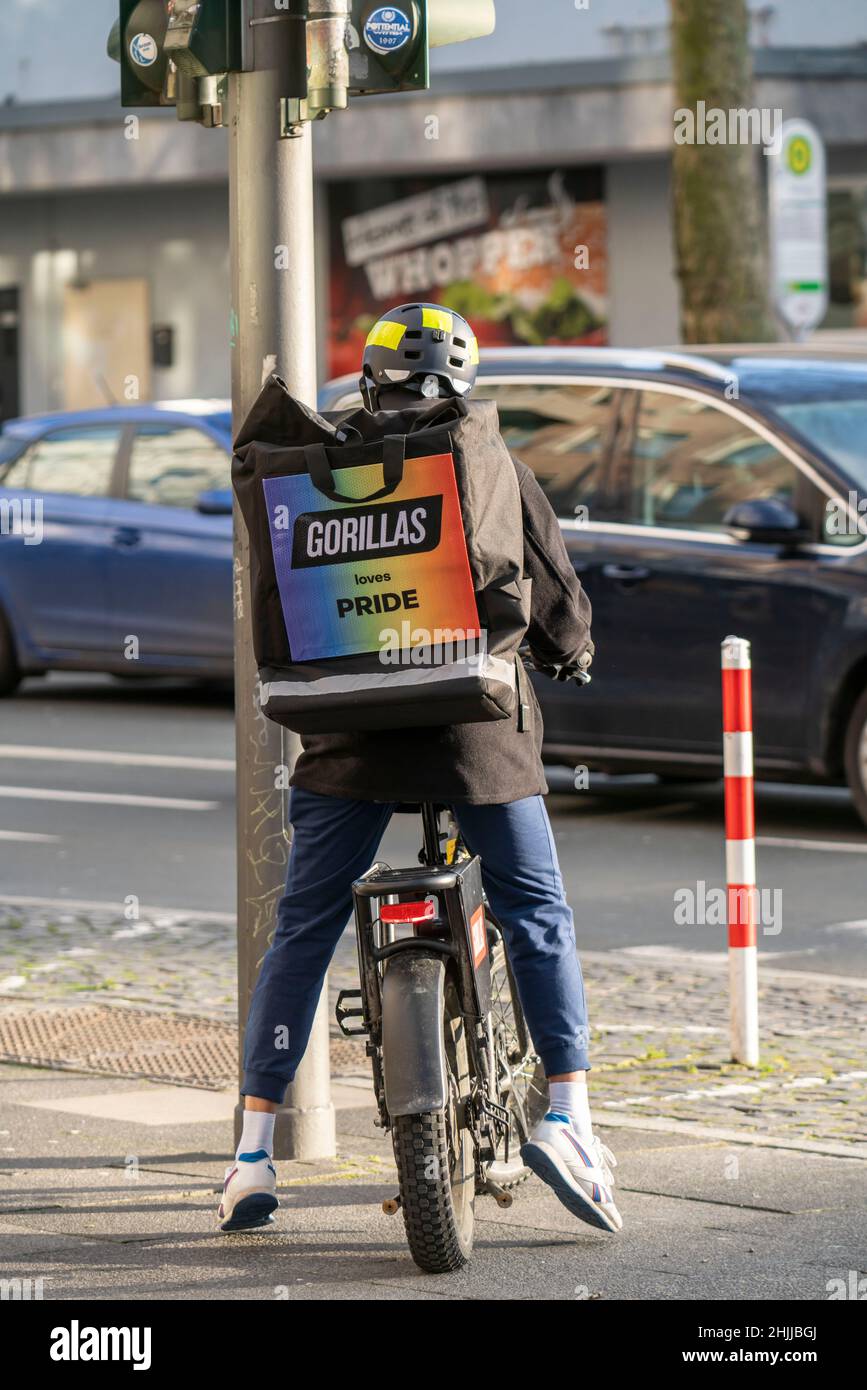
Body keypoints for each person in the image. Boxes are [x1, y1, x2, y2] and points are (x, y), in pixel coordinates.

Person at [219, 303, 622, 1237]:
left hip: (344, 740)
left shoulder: (318, 469)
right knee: (535, 913)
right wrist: (573, 649)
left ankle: (249, 1151)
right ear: (462, 385)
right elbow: (556, 598)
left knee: (304, 930)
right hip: (473, 737)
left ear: (370, 380)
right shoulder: (486, 464)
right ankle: (567, 1115)